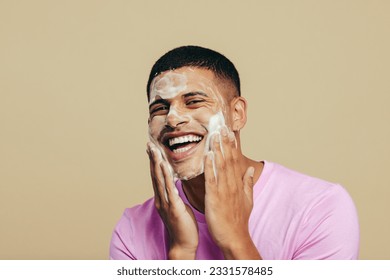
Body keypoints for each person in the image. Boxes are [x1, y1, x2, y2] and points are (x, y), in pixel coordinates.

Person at [109, 46, 359, 260]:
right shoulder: (132, 229)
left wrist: (235, 240)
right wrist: (181, 252)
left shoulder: (318, 208)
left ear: (237, 114)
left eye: (194, 101)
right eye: (160, 108)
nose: (173, 119)